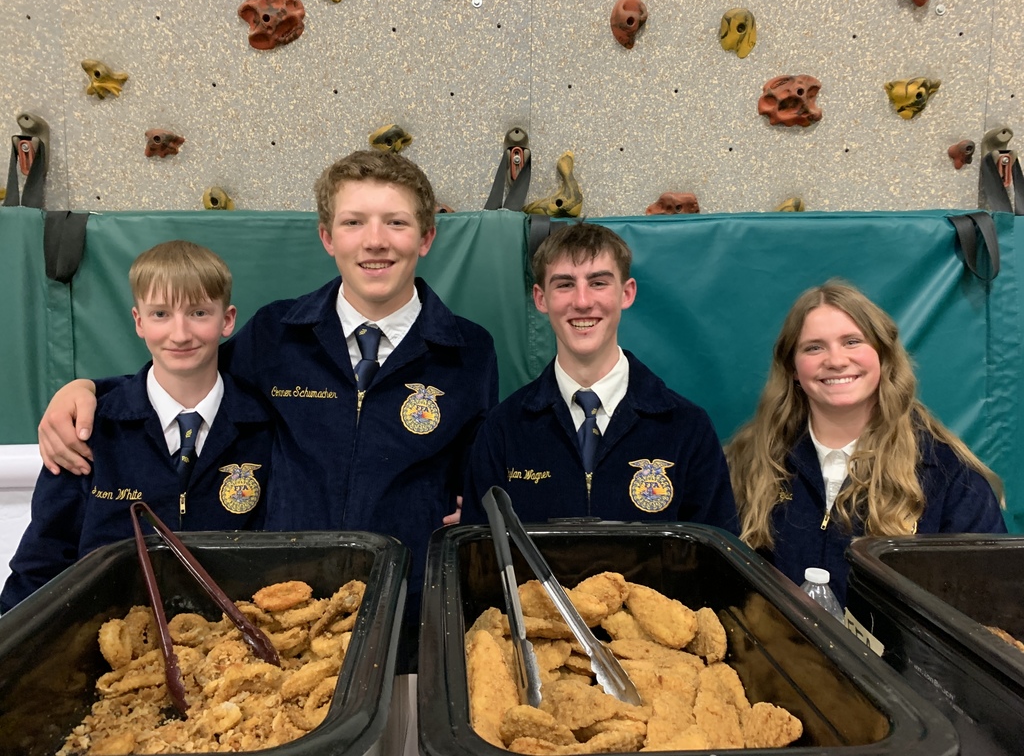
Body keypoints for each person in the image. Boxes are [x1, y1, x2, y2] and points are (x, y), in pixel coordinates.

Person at [34, 150, 498, 662]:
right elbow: (187, 369)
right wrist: (88, 389)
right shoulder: (277, 335)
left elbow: (476, 470)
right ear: (327, 237)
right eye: (353, 222)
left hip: (411, 610)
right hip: (288, 612)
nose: (375, 240)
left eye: (396, 222)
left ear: (426, 237)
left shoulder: (469, 352)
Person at [2, 240, 273, 612]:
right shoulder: (88, 428)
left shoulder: (264, 428)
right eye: (161, 314)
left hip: (226, 644)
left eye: (198, 313)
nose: (180, 334)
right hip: (107, 642)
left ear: (227, 320)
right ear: (139, 321)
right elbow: (43, 561)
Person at [725, 280, 1006, 605]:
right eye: (814, 347)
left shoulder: (950, 476)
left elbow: (987, 608)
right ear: (793, 369)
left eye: (852, 341)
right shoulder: (748, 462)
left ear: (883, 356)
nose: (836, 360)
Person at [462, 222, 737, 532]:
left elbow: (717, 562)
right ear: (541, 299)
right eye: (564, 284)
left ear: (627, 293)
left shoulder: (686, 429)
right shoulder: (503, 430)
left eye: (598, 283)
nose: (581, 301)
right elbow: (482, 562)